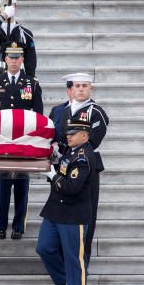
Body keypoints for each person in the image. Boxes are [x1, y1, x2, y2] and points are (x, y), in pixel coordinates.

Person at [36, 115, 95, 285]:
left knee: (73, 258)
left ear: (84, 136)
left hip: (73, 214)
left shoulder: (84, 157)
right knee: (44, 248)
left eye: (73, 134)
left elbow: (71, 187)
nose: (68, 137)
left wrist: (53, 175)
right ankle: (64, 280)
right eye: (68, 133)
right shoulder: (72, 151)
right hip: (56, 210)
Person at [49, 73, 109, 267]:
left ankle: (82, 265)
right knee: (60, 215)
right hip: (62, 168)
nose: (81, 89)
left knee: (85, 218)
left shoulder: (95, 111)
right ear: (70, 89)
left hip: (84, 167)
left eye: (85, 85)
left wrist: (66, 154)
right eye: (77, 86)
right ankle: (63, 268)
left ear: (90, 88)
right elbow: (54, 136)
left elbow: (91, 141)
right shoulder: (60, 111)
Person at [0, 42, 43, 240]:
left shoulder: (31, 83)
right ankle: (1, 226)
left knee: (21, 183)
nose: (14, 61)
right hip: (1, 142)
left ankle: (18, 226)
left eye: (18, 57)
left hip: (23, 141)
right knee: (2, 184)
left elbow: (39, 115)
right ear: (5, 59)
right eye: (11, 57)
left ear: (23, 60)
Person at [0, 0, 37, 77]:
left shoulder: (25, 33)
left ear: (15, 8)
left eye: (10, 6)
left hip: (19, 77)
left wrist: (30, 80)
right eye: (4, 6)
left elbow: (30, 61)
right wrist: (3, 16)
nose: (7, 8)